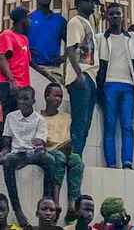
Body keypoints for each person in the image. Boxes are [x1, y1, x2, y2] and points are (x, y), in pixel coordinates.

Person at [0, 85, 55, 228]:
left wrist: (39, 146)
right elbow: (6, 143)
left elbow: (40, 142)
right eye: (20, 99)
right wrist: (2, 153)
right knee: (7, 161)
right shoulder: (11, 117)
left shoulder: (40, 120)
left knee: (50, 159)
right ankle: (17, 210)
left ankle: (47, 202)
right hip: (16, 155)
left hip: (33, 154)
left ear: (33, 101)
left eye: (26, 99)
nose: (22, 102)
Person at [95, 1, 134, 169]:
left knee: (127, 125)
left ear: (123, 17)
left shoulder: (132, 38)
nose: (114, 17)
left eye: (117, 14)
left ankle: (127, 162)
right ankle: (111, 164)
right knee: (110, 126)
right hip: (109, 85)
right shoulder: (101, 38)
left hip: (128, 86)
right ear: (106, 17)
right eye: (111, 14)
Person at [64, 0, 99, 155]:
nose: (92, 4)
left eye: (93, 1)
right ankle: (74, 155)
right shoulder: (75, 21)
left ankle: (78, 155)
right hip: (82, 75)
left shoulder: (90, 25)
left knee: (86, 122)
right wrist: (78, 74)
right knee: (80, 120)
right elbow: (71, 48)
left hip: (91, 76)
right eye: (88, 0)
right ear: (78, 5)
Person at [40, 82, 83, 215]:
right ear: (47, 96)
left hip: (65, 150)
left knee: (77, 161)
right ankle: (56, 201)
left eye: (61, 96)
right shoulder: (38, 117)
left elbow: (68, 137)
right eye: (56, 96)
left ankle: (72, 205)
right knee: (59, 157)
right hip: (49, 151)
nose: (59, 99)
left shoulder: (66, 117)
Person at [0, 7, 33, 116]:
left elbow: (29, 62)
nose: (30, 22)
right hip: (7, 84)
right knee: (4, 118)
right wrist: (12, 81)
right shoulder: (6, 35)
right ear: (23, 20)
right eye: (29, 18)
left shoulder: (24, 38)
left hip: (22, 86)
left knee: (19, 119)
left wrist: (47, 74)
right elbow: (2, 59)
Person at [28, 0, 67, 82]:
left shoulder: (59, 20)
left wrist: (64, 57)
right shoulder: (28, 19)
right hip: (33, 67)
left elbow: (72, 42)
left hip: (53, 68)